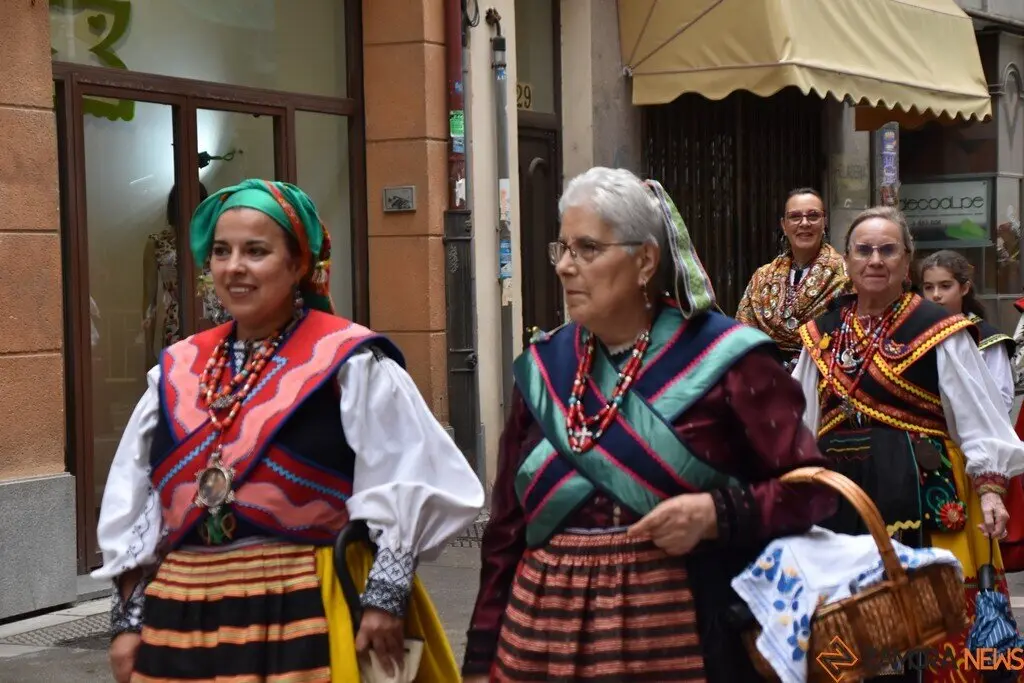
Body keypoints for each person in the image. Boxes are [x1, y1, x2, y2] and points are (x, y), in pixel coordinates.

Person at [93, 179, 484, 683]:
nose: (234, 267)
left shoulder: (350, 361)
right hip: (183, 612)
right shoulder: (178, 367)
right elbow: (140, 497)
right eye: (221, 251)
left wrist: (385, 597)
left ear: (299, 265)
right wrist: (128, 620)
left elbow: (408, 476)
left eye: (256, 251)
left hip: (302, 602)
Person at [461, 167, 837, 682]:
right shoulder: (545, 368)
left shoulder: (728, 361)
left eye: (588, 248)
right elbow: (506, 528)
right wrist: (482, 654)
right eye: (562, 248)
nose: (566, 268)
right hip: (540, 635)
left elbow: (814, 489)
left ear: (644, 261)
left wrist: (717, 513)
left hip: (682, 635)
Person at [793, 206, 1024, 683]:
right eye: (864, 250)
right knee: (848, 623)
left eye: (887, 250)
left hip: (925, 493)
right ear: (848, 261)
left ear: (906, 261)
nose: (875, 260)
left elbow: (979, 420)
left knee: (933, 630)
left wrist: (990, 490)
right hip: (842, 502)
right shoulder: (821, 334)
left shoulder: (939, 328)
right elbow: (800, 422)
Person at [736, 188, 849, 370]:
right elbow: (743, 333)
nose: (804, 223)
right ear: (784, 225)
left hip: (823, 378)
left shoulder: (845, 276)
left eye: (813, 216)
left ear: (824, 221)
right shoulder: (762, 277)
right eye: (795, 217)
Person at [918, 249, 1016, 412]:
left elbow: (1003, 399)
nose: (935, 295)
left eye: (945, 286)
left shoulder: (986, 338)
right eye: (928, 287)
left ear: (964, 288)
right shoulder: (915, 333)